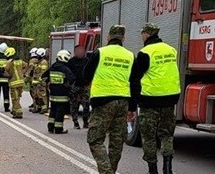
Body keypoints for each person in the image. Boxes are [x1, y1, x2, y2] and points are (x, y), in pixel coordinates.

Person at [83, 25, 135, 174]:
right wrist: (132, 108)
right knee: (117, 142)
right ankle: (111, 169)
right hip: (123, 101)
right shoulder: (130, 55)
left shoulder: (100, 52)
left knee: (95, 139)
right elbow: (135, 82)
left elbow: (86, 74)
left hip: (103, 101)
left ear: (108, 37)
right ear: (123, 38)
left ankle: (107, 172)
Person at [130, 23, 181, 174]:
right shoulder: (171, 50)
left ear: (147, 34)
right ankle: (168, 168)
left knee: (149, 136)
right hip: (170, 99)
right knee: (166, 134)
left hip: (150, 100)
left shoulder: (145, 52)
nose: (141, 36)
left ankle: (152, 170)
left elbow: (136, 77)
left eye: (142, 33)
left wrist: (134, 100)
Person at [42, 50, 75, 134]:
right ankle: (58, 129)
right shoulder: (64, 68)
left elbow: (44, 76)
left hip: (53, 93)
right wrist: (66, 85)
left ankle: (50, 127)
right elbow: (72, 78)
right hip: (62, 94)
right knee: (60, 111)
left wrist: (49, 83)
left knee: (53, 110)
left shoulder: (52, 67)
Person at [67, 44, 90, 129]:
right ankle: (75, 122)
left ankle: (85, 121)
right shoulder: (71, 62)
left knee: (86, 105)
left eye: (82, 51)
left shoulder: (87, 61)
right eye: (79, 51)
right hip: (74, 86)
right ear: (75, 52)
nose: (81, 53)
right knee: (74, 105)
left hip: (84, 86)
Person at [4, 47, 26, 119]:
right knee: (18, 98)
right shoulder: (20, 61)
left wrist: (8, 76)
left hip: (14, 83)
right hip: (21, 83)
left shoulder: (9, 62)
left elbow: (3, 70)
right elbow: (26, 66)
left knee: (14, 98)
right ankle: (14, 111)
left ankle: (19, 113)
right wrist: (22, 73)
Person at [32, 48, 48, 113]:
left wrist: (41, 81)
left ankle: (44, 108)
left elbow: (43, 73)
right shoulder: (38, 62)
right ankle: (38, 107)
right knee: (36, 95)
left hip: (41, 83)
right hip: (36, 82)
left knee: (42, 95)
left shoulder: (44, 62)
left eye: (38, 55)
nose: (37, 56)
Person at [25, 48, 39, 112]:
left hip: (33, 78)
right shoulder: (38, 60)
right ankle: (35, 104)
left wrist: (26, 78)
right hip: (37, 78)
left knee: (33, 92)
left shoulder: (32, 60)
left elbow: (30, 69)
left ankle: (35, 105)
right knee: (37, 93)